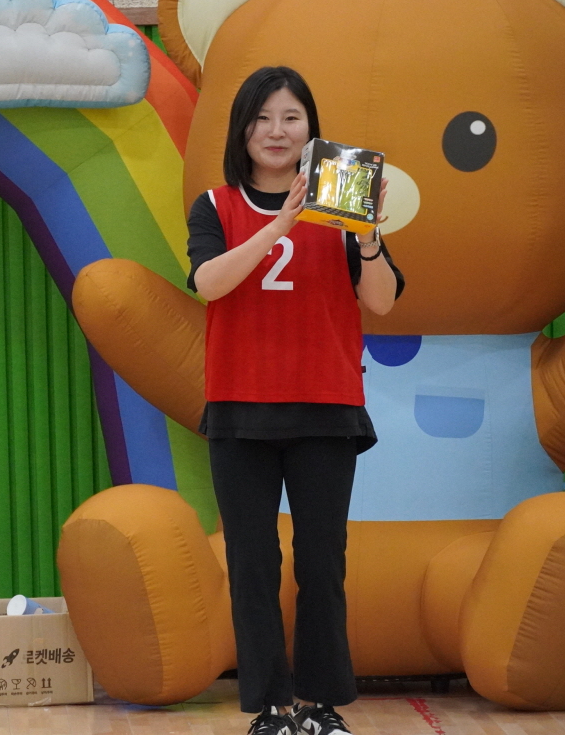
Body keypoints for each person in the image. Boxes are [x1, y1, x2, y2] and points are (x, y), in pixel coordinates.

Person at [186, 66, 403, 735]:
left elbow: (381, 300)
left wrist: (367, 236)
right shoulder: (215, 204)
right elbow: (208, 283)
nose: (275, 131)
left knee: (321, 564)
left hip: (325, 408)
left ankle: (318, 703)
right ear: (241, 130)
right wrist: (280, 221)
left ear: (311, 129)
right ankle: (270, 708)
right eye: (261, 118)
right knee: (252, 565)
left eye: (290, 117)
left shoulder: (342, 202)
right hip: (239, 408)